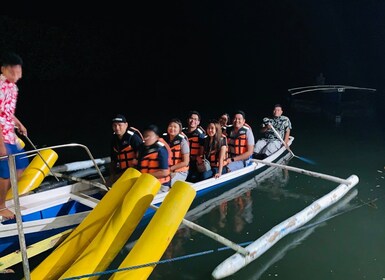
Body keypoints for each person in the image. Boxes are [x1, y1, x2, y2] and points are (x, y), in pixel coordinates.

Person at [0, 52, 29, 220]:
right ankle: (1, 206)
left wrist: (19, 123)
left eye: (20, 73)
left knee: (20, 166)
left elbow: (7, 111)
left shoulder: (13, 86)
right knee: (4, 172)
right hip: (1, 137)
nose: (17, 76)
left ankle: (3, 196)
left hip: (9, 133)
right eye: (14, 72)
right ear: (4, 69)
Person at [107, 114, 143, 187]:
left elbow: (142, 155)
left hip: (134, 171)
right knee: (107, 185)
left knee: (115, 186)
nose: (117, 128)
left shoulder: (133, 138)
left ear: (126, 125)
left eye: (120, 125)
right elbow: (113, 159)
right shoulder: (114, 140)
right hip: (121, 170)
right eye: (114, 125)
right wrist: (112, 175)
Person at [136, 124, 171, 191]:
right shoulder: (142, 149)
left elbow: (165, 172)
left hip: (160, 184)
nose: (146, 138)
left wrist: (146, 176)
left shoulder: (161, 150)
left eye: (149, 136)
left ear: (156, 137)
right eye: (145, 136)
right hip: (145, 182)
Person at [162, 118, 190, 186]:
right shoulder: (163, 140)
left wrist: (171, 169)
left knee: (166, 182)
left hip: (180, 171)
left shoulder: (183, 142)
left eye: (175, 127)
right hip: (167, 170)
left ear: (179, 130)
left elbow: (186, 162)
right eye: (170, 126)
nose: (172, 128)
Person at [182, 110, 206, 182]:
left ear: (198, 122)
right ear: (188, 120)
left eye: (195, 119)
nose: (192, 121)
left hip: (194, 163)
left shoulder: (201, 135)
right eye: (191, 118)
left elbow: (202, 152)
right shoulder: (182, 133)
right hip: (183, 161)